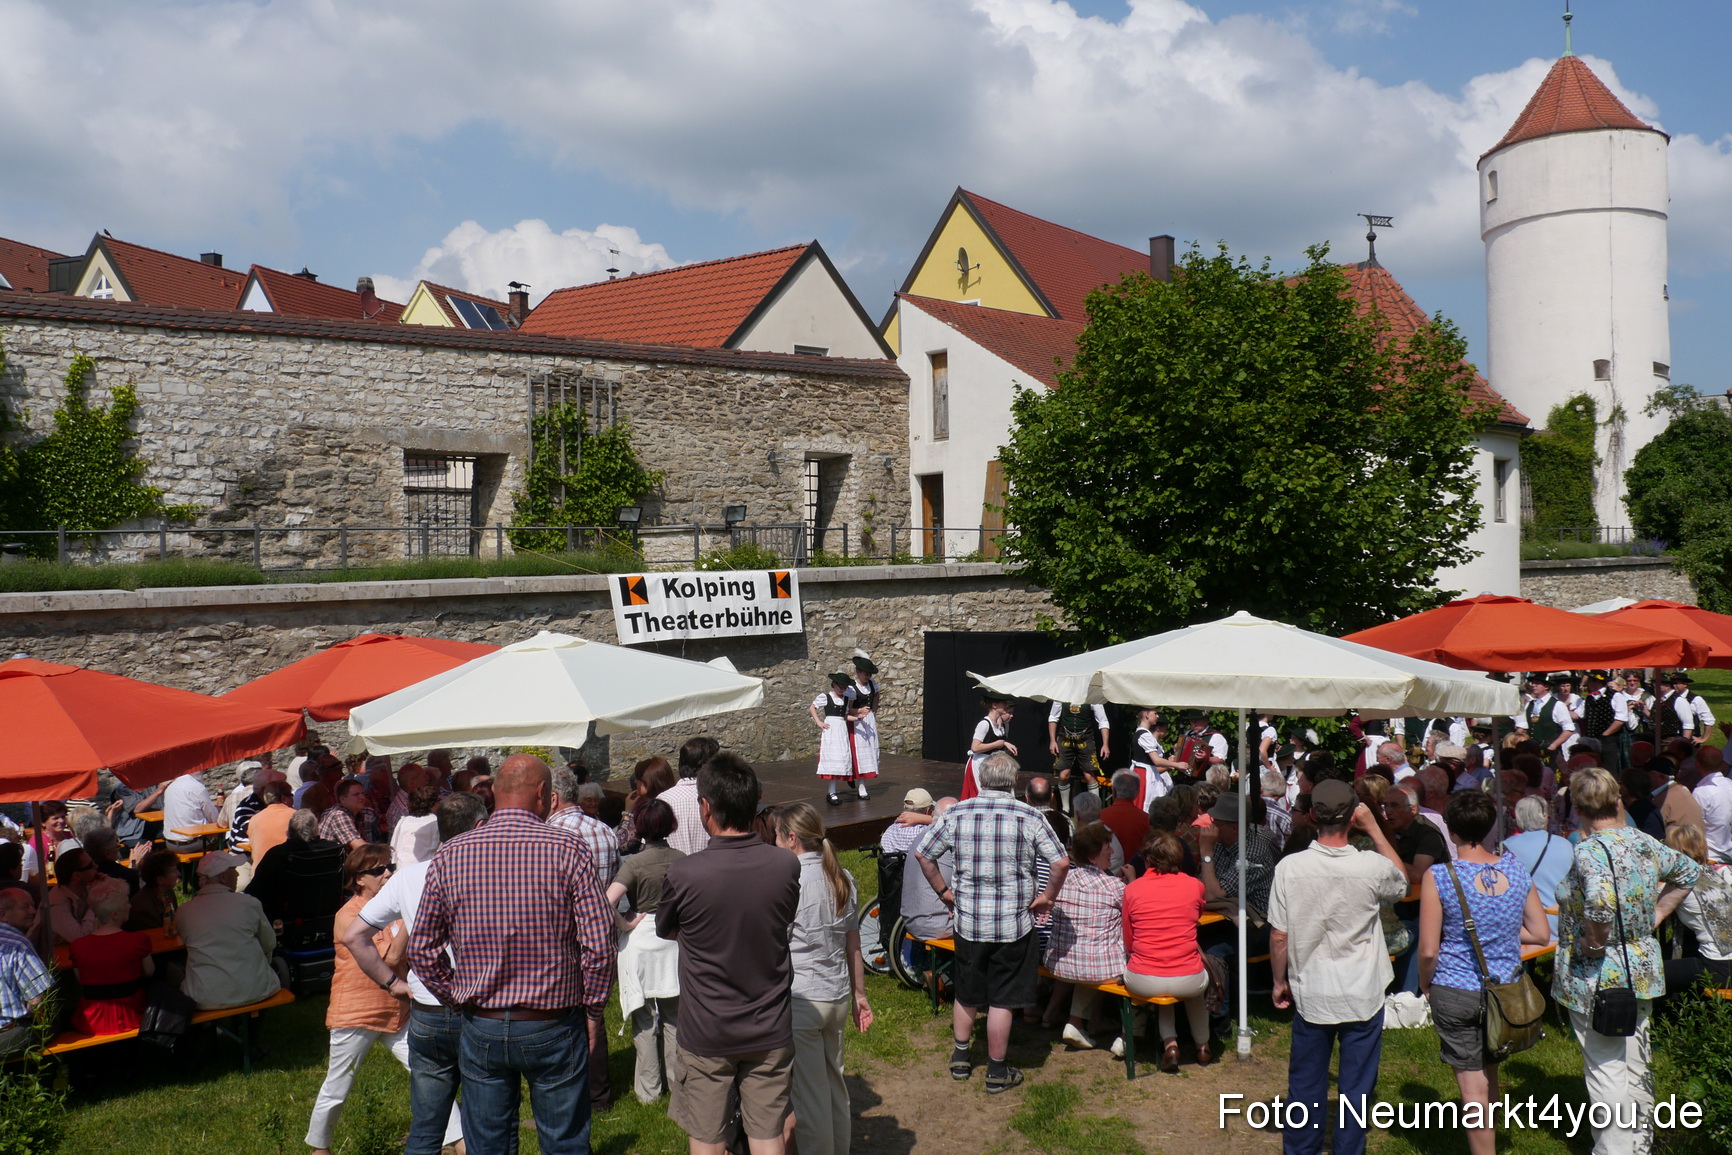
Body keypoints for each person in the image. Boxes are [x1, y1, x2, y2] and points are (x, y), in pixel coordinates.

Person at [409, 755, 615, 1155]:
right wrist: (592, 1010)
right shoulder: (568, 849)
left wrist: (458, 994)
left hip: (482, 1020)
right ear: (543, 794)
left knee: (489, 1144)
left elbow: (422, 948)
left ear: (495, 794)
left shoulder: (452, 853)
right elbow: (599, 944)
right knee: (565, 1142)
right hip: (552, 1020)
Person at [656, 752, 802, 1155]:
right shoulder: (785, 866)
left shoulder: (685, 873)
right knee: (768, 1134)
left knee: (707, 1138)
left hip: (708, 1028)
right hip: (768, 1022)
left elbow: (666, 928)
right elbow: (782, 917)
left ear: (706, 808)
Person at [1552, 766, 1699, 1155]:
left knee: (1606, 1066)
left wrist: (1596, 944)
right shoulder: (1642, 842)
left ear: (1577, 808)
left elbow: (1600, 904)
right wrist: (1656, 913)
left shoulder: (1588, 850)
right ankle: (1640, 1141)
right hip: (1640, 966)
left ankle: (1615, 1149)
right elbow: (1687, 869)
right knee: (1635, 1056)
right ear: (1617, 799)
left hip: (1598, 974)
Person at [1269, 780, 1409, 1155]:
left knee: (1305, 1083)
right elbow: (1402, 882)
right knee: (1357, 1087)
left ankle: (1301, 1149)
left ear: (1313, 815)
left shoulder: (1289, 868)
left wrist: (1278, 981)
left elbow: (1280, 936)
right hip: (1362, 989)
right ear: (1352, 816)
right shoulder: (1371, 866)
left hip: (1312, 988)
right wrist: (1375, 828)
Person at [915, 750, 1068, 1093]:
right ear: (1015, 782)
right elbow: (1060, 863)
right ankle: (996, 1071)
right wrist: (1047, 897)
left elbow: (924, 854)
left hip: (969, 923)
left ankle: (960, 1058)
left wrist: (943, 891)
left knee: (967, 992)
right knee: (1002, 998)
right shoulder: (1029, 815)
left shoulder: (956, 812)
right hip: (1013, 925)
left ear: (981, 780)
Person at [345, 792, 485, 1155]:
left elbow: (354, 935)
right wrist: (392, 980)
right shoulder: (493, 874)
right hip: (479, 1006)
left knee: (427, 1123)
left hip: (428, 1007)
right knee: (486, 1116)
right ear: (479, 827)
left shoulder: (409, 876)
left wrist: (393, 983)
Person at [1417, 790, 1553, 1155]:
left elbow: (1429, 948)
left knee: (1471, 1089)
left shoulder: (1440, 876)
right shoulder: (1514, 868)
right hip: (1504, 991)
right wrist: (1503, 931)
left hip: (1455, 988)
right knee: (1489, 1076)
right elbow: (1540, 932)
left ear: (1451, 829)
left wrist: (1423, 981)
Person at [306, 843, 441, 1155]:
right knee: (338, 1086)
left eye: (389, 867)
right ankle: (319, 1148)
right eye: (377, 870)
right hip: (356, 1012)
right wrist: (414, 912)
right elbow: (392, 957)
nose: (387, 874)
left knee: (429, 1077)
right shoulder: (349, 915)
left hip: (397, 1013)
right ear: (359, 880)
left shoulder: (389, 909)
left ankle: (459, 1140)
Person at [775, 803, 873, 1155]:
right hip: (837, 997)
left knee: (810, 1095)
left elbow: (776, 942)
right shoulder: (842, 876)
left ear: (790, 838)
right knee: (834, 1087)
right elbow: (854, 943)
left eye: (776, 835)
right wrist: (860, 994)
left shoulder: (790, 881)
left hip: (803, 1000)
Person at [605, 797, 684, 1104]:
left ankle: (649, 1092)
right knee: (674, 1019)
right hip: (672, 941)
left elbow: (606, 901)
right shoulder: (682, 858)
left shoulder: (634, 863)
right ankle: (679, 1085)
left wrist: (625, 925)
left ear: (639, 828)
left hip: (640, 942)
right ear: (670, 825)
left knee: (644, 1021)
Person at [1120, 830, 1210, 1067]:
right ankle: (1203, 1046)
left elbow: (1128, 940)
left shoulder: (1132, 889)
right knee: (1195, 991)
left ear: (1148, 859)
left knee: (1162, 989)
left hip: (1145, 976)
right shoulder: (1195, 886)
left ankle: (1170, 1044)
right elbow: (1198, 915)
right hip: (1187, 975)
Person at [1043, 822, 1126, 1052]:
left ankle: (1076, 1022)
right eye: (1107, 847)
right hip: (1097, 966)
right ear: (1092, 856)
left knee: (1089, 956)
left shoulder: (1060, 879)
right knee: (1112, 960)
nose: (1112, 851)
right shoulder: (1114, 887)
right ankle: (1129, 1034)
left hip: (1059, 963)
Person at [179, 851, 282, 1010]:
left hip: (205, 996)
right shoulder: (248, 903)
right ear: (223, 878)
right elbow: (269, 943)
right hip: (256, 989)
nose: (237, 874)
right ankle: (250, 1031)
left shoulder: (184, 911)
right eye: (233, 870)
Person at [1384, 781, 1450, 992]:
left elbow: (1417, 875)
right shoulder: (1389, 832)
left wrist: (1383, 852)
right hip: (1400, 902)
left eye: (1394, 806)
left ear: (1413, 810)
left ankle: (1408, 993)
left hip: (1430, 906)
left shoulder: (1428, 834)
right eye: (1385, 806)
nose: (1388, 811)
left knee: (1415, 928)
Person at [68, 877, 153, 1036]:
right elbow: (149, 972)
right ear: (115, 914)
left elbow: (80, 980)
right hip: (131, 1014)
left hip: (92, 1018)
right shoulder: (138, 940)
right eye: (126, 903)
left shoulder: (77, 947)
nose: (130, 905)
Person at [246, 809, 347, 938]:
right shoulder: (336, 851)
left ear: (289, 832)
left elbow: (255, 890)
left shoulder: (277, 854)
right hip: (330, 914)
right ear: (316, 830)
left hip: (288, 919)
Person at [1660, 824, 1732, 998]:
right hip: (1725, 961)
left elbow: (1650, 912)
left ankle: (1667, 1015)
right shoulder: (1722, 872)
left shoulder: (1679, 882)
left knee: (1647, 972)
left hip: (1717, 967)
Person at [1503, 795, 1572, 939]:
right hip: (1566, 919)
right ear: (1545, 816)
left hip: (1532, 925)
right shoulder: (1565, 844)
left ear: (1518, 817)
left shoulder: (1508, 846)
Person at [0, 887, 53, 1056]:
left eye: (33, 905)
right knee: (60, 1019)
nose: (33, 911)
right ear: (3, 915)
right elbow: (37, 1001)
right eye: (25, 907)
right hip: (9, 1034)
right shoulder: (18, 945)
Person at [548, 770, 622, 888]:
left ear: (553, 798)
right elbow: (617, 881)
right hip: (606, 905)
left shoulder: (548, 834)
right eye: (589, 800)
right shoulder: (605, 830)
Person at [662, 737, 719, 858]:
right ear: (706, 766)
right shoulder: (718, 798)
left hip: (672, 872)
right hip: (711, 870)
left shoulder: (662, 800)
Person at [1049, 700, 1110, 812]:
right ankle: (1065, 810)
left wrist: (1105, 744)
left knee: (1089, 776)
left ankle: (1095, 810)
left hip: (1086, 738)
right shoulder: (1063, 693)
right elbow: (1053, 717)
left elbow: (1103, 721)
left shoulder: (1092, 694)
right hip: (1065, 738)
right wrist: (1052, 740)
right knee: (1064, 775)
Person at [811, 672, 860, 805]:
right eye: (840, 687)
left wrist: (856, 718)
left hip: (841, 728)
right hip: (831, 729)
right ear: (834, 685)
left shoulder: (845, 699)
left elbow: (844, 716)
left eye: (844, 688)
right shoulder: (826, 697)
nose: (842, 690)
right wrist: (819, 722)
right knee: (833, 758)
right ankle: (831, 792)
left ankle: (840, 784)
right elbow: (812, 707)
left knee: (843, 757)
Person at [1126, 707, 1188, 807]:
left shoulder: (1141, 733)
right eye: (1155, 713)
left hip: (1144, 772)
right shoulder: (1145, 735)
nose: (1157, 716)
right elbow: (1156, 760)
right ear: (1146, 714)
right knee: (1147, 803)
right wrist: (1177, 764)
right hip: (1145, 775)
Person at [962, 692, 1017, 801]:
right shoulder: (985, 724)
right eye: (1004, 703)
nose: (1006, 705)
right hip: (980, 763)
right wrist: (997, 744)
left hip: (992, 763)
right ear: (994, 705)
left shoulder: (1004, 725)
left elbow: (996, 749)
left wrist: (1005, 753)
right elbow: (975, 748)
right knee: (982, 793)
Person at [618, 755, 678, 852]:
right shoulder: (675, 798)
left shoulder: (650, 808)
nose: (635, 781)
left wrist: (627, 813)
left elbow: (624, 845)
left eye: (639, 778)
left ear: (649, 781)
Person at [46, 847, 100, 944]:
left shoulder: (87, 889)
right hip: (56, 956)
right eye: (91, 865)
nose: (96, 866)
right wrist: (95, 902)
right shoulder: (56, 904)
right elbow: (80, 939)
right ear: (77, 876)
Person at [846, 651, 881, 798]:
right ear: (858, 672)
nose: (868, 677)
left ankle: (858, 779)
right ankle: (860, 786)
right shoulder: (852, 688)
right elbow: (847, 709)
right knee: (860, 754)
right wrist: (859, 710)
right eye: (865, 674)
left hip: (869, 721)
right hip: (856, 723)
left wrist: (873, 710)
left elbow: (877, 696)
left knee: (872, 751)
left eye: (869, 674)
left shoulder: (872, 684)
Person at [163, 770, 223, 853]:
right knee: (222, 837)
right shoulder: (197, 787)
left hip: (170, 844)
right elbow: (213, 816)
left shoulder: (170, 788)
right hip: (192, 845)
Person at [1691, 746, 1732, 865]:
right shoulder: (1730, 784)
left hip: (1712, 857)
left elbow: (1695, 827)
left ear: (1697, 764)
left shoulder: (1701, 793)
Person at [1100, 771, 1152, 865]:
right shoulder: (1147, 820)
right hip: (1137, 873)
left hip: (1106, 872)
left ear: (1114, 790)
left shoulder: (1099, 818)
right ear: (1137, 792)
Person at [389, 780, 443, 867]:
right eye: (438, 801)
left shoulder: (403, 821)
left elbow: (393, 848)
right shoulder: (436, 822)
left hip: (401, 869)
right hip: (425, 869)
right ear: (433, 803)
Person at [125, 850, 181, 932]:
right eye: (174, 871)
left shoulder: (168, 892)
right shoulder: (142, 907)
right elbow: (156, 936)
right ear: (160, 880)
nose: (178, 873)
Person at [318, 779, 375, 851]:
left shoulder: (357, 813)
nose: (362, 797)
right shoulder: (339, 815)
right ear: (342, 800)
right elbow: (359, 847)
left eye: (362, 793)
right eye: (356, 794)